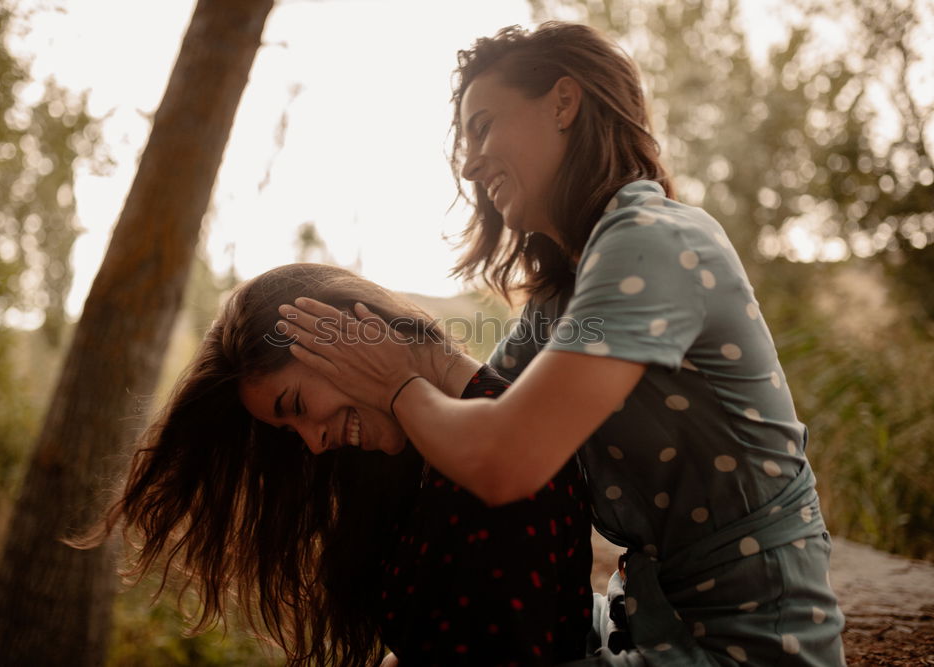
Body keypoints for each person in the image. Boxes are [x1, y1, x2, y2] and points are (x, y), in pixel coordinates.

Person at [277, 22, 846, 666]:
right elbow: (475, 402)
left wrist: (395, 385)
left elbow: (503, 459)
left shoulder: (653, 240)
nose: (469, 164)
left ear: (563, 103)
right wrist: (354, 366)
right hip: (649, 623)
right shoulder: (567, 294)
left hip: (748, 645)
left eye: (484, 126)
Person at [74, 262, 593, 667]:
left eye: (296, 407)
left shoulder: (496, 459)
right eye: (289, 432)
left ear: (347, 335)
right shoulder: (415, 463)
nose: (314, 444)